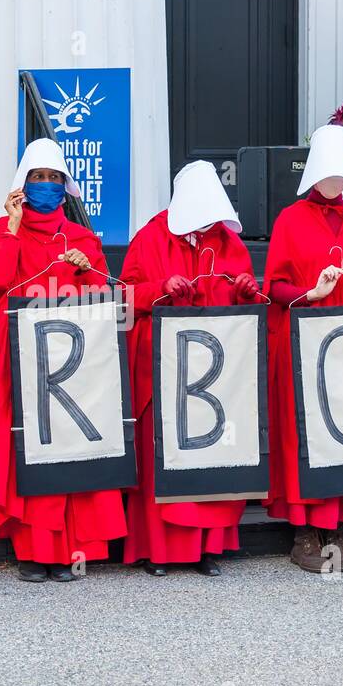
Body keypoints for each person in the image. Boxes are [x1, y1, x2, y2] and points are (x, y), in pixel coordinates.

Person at [0, 138, 127, 582]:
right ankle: (33, 550)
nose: (45, 185)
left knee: (71, 441)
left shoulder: (81, 237)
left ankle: (73, 552)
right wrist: (14, 227)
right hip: (18, 354)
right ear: (23, 185)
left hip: (72, 361)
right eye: (37, 178)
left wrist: (85, 268)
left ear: (65, 186)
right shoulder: (6, 228)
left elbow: (104, 297)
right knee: (26, 441)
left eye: (53, 178)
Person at [263, 125, 343, 572]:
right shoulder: (290, 220)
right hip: (305, 345)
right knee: (306, 432)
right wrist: (310, 294)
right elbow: (273, 286)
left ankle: (336, 528)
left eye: (342, 171)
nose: (334, 180)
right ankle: (305, 532)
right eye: (327, 171)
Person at [121, 161, 258, 576]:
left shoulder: (229, 242)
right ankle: (156, 550)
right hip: (163, 366)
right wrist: (158, 289)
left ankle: (207, 548)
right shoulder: (149, 236)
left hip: (214, 372)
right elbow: (124, 295)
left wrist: (247, 291)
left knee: (212, 450)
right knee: (159, 453)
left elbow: (248, 291)